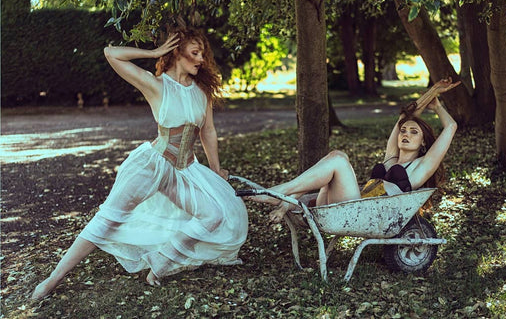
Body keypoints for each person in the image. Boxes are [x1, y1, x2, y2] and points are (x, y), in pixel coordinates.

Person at [31, 27, 248, 300]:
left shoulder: (200, 91)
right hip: (152, 164)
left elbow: (208, 132)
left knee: (214, 215)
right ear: (177, 53)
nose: (201, 59)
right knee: (107, 220)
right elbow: (112, 54)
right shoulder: (155, 84)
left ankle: (159, 265)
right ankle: (53, 280)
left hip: (183, 171)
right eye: (195, 52)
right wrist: (154, 53)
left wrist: (216, 169)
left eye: (203, 53)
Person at [247, 78, 460, 223]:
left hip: (361, 214)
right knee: (330, 165)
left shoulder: (420, 168)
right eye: (403, 131)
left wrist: (438, 105)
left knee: (339, 158)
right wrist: (431, 91)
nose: (405, 133)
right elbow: (404, 117)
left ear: (423, 143)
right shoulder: (391, 158)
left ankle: (276, 194)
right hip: (345, 206)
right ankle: (281, 197)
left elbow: (450, 127)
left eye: (414, 132)